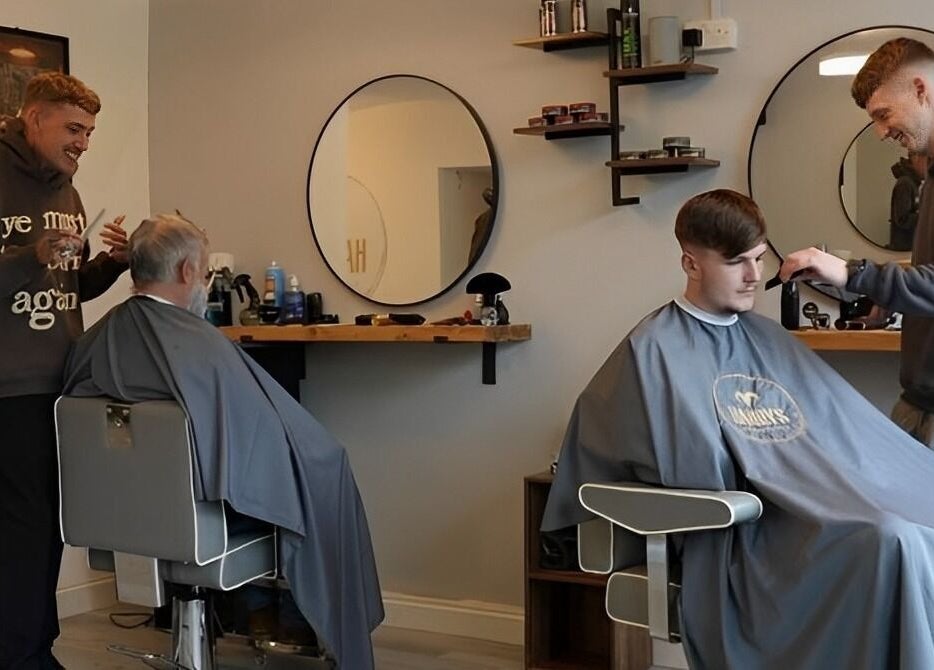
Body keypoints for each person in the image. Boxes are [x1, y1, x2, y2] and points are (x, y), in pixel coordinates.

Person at [543, 189, 934, 669]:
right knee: (892, 537)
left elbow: (842, 435)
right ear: (691, 264)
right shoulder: (654, 350)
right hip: (752, 532)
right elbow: (630, 458)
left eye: (758, 258)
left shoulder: (767, 338)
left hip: (819, 506)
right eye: (736, 263)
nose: (753, 275)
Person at [61, 214, 384, 669]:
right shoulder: (199, 348)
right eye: (205, 270)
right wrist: (322, 460)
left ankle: (255, 619)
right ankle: (308, 628)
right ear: (187, 270)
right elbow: (269, 445)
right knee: (326, 471)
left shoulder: (98, 340)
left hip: (119, 520)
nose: (204, 281)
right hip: (195, 524)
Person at [0, 71, 129, 669]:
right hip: (10, 388)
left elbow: (67, 285)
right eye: (74, 129)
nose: (83, 143)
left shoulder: (67, 192)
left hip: (59, 386)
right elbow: (34, 266)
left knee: (46, 528)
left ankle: (34, 646)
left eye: (90, 133)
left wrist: (112, 264)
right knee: (23, 531)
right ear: (35, 118)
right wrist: (32, 256)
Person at [779, 37, 934, 447]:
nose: (881, 132)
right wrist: (893, 290)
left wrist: (852, 273)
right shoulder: (929, 175)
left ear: (920, 89)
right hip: (918, 400)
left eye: (884, 115)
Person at [888, 150, 927, 251]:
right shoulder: (905, 183)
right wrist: (927, 216)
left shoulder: (916, 183)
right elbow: (903, 219)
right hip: (904, 249)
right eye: (927, 161)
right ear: (916, 158)